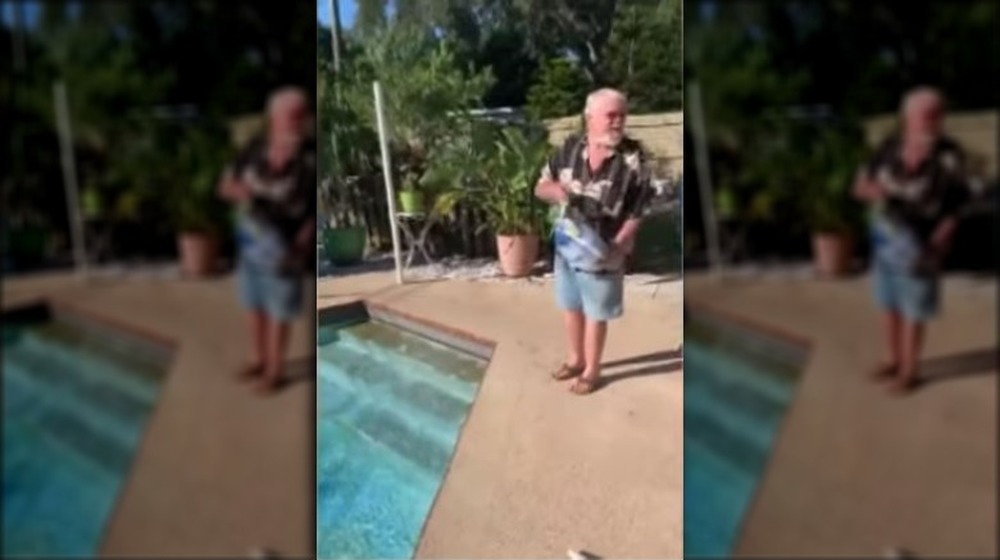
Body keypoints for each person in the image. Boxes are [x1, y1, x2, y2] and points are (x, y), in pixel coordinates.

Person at [534, 88, 655, 395]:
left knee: (596, 313)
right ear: (589, 118)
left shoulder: (634, 158)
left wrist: (623, 240)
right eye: (610, 115)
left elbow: (640, 207)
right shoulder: (570, 148)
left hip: (604, 249)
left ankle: (592, 370)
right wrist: (557, 192)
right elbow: (540, 186)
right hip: (567, 245)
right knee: (571, 305)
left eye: (622, 116)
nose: (618, 122)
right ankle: (576, 359)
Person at [853, 86, 972, 395]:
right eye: (925, 116)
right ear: (907, 118)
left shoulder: (950, 155)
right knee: (887, 302)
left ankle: (909, 371)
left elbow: (958, 206)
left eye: (937, 115)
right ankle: (892, 359)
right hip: (885, 240)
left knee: (913, 309)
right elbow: (860, 184)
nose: (932, 122)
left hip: (923, 246)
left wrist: (940, 240)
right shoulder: (889, 147)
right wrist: (871, 191)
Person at [218, 86, 316, 395]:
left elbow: (315, 210)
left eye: (301, 116)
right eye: (291, 116)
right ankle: (258, 359)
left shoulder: (310, 158)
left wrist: (302, 245)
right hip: (250, 242)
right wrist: (237, 192)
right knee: (254, 303)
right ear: (273, 117)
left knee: (278, 311)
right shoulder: (254, 148)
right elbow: (225, 185)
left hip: (284, 250)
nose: (297, 122)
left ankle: (274, 371)